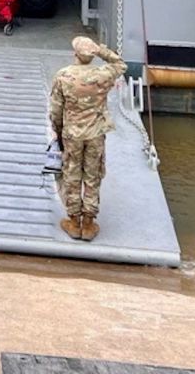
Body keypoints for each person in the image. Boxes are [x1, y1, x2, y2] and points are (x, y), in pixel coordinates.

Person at [48, 36, 127, 242]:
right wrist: (100, 50)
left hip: (72, 135)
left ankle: (74, 222)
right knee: (93, 176)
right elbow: (120, 64)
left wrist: (58, 131)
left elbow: (56, 110)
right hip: (95, 134)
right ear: (91, 56)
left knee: (72, 174)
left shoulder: (63, 76)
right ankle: (89, 224)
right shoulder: (102, 75)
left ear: (75, 54)